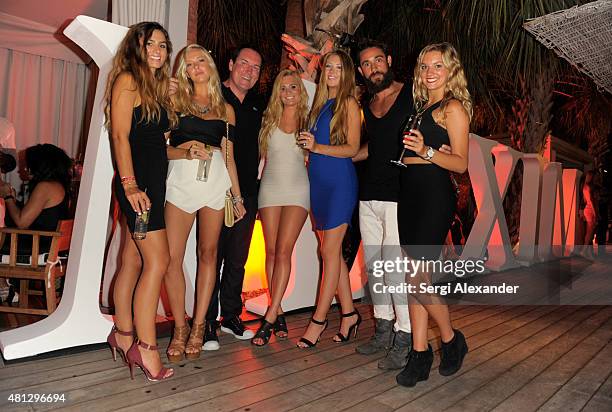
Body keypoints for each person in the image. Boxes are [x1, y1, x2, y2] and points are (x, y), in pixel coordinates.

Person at [103, 21, 176, 382]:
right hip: (139, 186)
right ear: (137, 47)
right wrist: (130, 186)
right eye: (151, 45)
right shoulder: (127, 79)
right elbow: (119, 135)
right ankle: (146, 349)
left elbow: (154, 140)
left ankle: (123, 333)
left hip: (152, 185)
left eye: (163, 45)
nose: (158, 51)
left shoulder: (154, 85)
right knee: (158, 261)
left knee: (132, 260)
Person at [395, 42, 471, 387]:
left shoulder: (452, 108)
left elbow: (461, 162)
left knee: (416, 280)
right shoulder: (421, 105)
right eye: (424, 66)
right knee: (414, 277)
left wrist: (425, 150)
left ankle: (451, 339)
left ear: (450, 70)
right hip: (409, 189)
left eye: (437, 66)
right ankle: (420, 352)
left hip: (434, 193)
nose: (429, 72)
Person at [163, 44, 245, 361]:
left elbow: (229, 157)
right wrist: (186, 151)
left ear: (210, 65)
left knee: (209, 254)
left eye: (201, 60)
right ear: (183, 70)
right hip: (180, 181)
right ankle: (180, 327)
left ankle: (199, 326)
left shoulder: (226, 109)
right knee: (172, 258)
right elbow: (159, 148)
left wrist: (237, 197)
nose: (196, 66)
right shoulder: (174, 100)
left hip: (215, 182)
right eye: (189, 63)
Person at [351, 42, 415, 368]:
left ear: (389, 60)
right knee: (374, 269)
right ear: (361, 71)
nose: (374, 66)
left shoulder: (411, 94)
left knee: (394, 271)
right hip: (368, 196)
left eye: (378, 60)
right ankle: (383, 328)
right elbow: (372, 148)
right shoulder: (367, 101)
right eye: (366, 64)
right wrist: (345, 154)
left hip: (399, 197)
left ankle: (405, 336)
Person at [296, 49, 361, 348]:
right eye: (328, 67)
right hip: (318, 184)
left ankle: (318, 321)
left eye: (338, 67)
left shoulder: (348, 103)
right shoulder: (320, 105)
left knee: (330, 252)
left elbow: (351, 148)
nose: (332, 71)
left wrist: (317, 147)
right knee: (328, 252)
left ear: (346, 73)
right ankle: (349, 314)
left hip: (339, 184)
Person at [204, 46, 265, 345]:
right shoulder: (214, 97)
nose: (249, 71)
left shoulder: (259, 106)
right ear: (230, 64)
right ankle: (205, 322)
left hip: (249, 193)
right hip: (217, 190)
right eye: (244, 64)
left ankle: (230, 316)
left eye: (255, 67)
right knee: (210, 257)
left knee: (238, 259)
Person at [251, 69, 310, 346]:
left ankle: (270, 316)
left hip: (298, 189)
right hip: (270, 188)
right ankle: (280, 310)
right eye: (283, 87)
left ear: (301, 90)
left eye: (293, 87)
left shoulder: (309, 120)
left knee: (284, 250)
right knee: (271, 250)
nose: (288, 92)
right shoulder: (268, 118)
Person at [0, 144, 71, 304]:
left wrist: (8, 197)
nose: (23, 169)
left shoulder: (45, 187)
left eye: (28, 164)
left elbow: (22, 222)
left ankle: (4, 286)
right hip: (47, 244)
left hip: (38, 246)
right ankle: (4, 285)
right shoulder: (58, 186)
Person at [580, 170, 598, 259]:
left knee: (589, 232)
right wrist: (596, 214)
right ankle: (584, 251)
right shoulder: (589, 187)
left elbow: (586, 201)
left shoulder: (585, 187)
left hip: (588, 210)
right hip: (590, 211)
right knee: (589, 233)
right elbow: (591, 201)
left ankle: (585, 251)